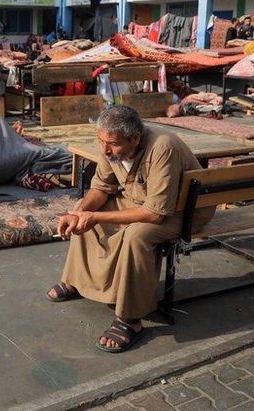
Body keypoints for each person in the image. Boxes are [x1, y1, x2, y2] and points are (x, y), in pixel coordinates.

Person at [47, 105, 212, 353]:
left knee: (137, 235)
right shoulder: (111, 145)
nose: (104, 149)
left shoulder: (162, 146)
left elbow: (156, 214)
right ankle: (78, 281)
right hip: (144, 202)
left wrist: (95, 215)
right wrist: (78, 214)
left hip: (184, 212)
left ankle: (131, 319)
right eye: (101, 141)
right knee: (85, 214)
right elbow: (101, 188)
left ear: (135, 138)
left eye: (112, 144)